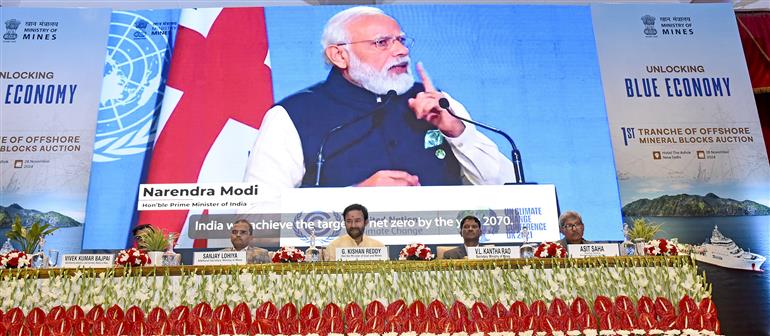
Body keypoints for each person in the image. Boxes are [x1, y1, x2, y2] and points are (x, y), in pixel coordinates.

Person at [243, 6, 514, 189]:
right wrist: (355, 199)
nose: (400, 51)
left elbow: (506, 187)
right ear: (339, 55)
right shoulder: (294, 114)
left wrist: (456, 130)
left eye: (401, 40)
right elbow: (261, 212)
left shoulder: (436, 102)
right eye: (382, 43)